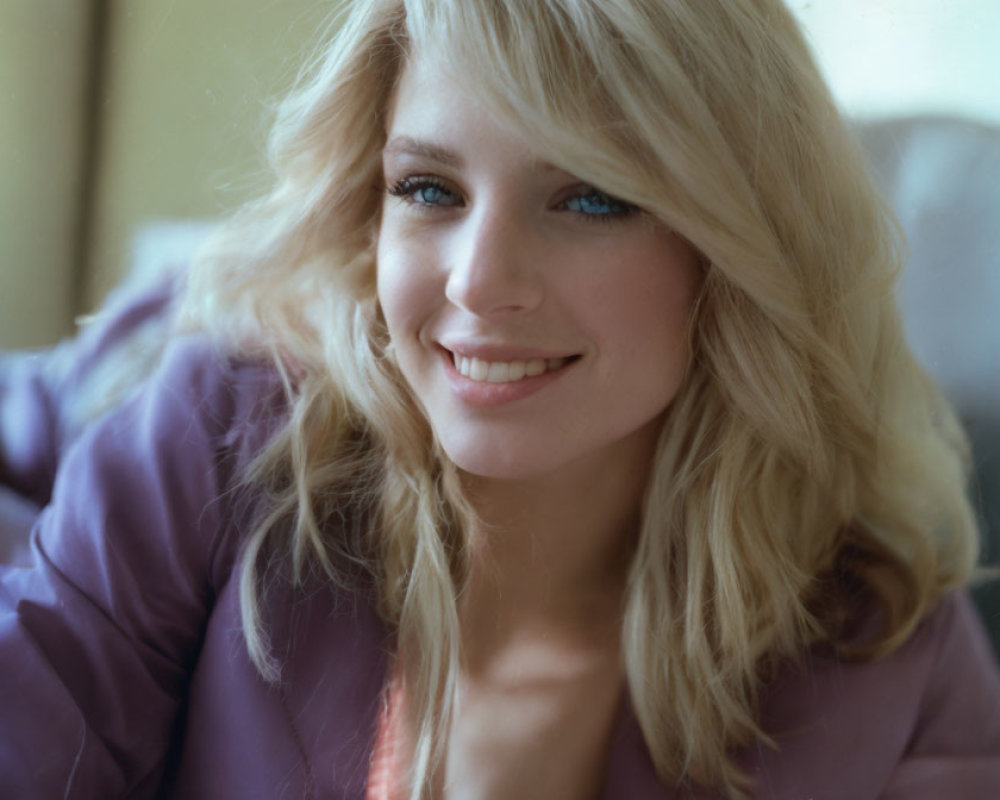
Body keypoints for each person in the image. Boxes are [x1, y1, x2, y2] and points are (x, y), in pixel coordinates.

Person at [2, 0, 999, 798]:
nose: (479, 281)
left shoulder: (889, 643)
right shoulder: (228, 440)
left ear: (733, 253)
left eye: (590, 198)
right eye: (430, 189)